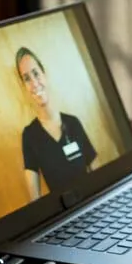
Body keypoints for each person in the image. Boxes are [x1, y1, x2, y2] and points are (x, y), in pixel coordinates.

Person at [16, 47, 97, 200]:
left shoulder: (73, 123)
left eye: (36, 73)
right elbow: (35, 201)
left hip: (91, 203)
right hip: (63, 215)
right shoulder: (29, 135)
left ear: (44, 74)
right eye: (26, 79)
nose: (34, 83)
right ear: (24, 87)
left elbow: (96, 173)